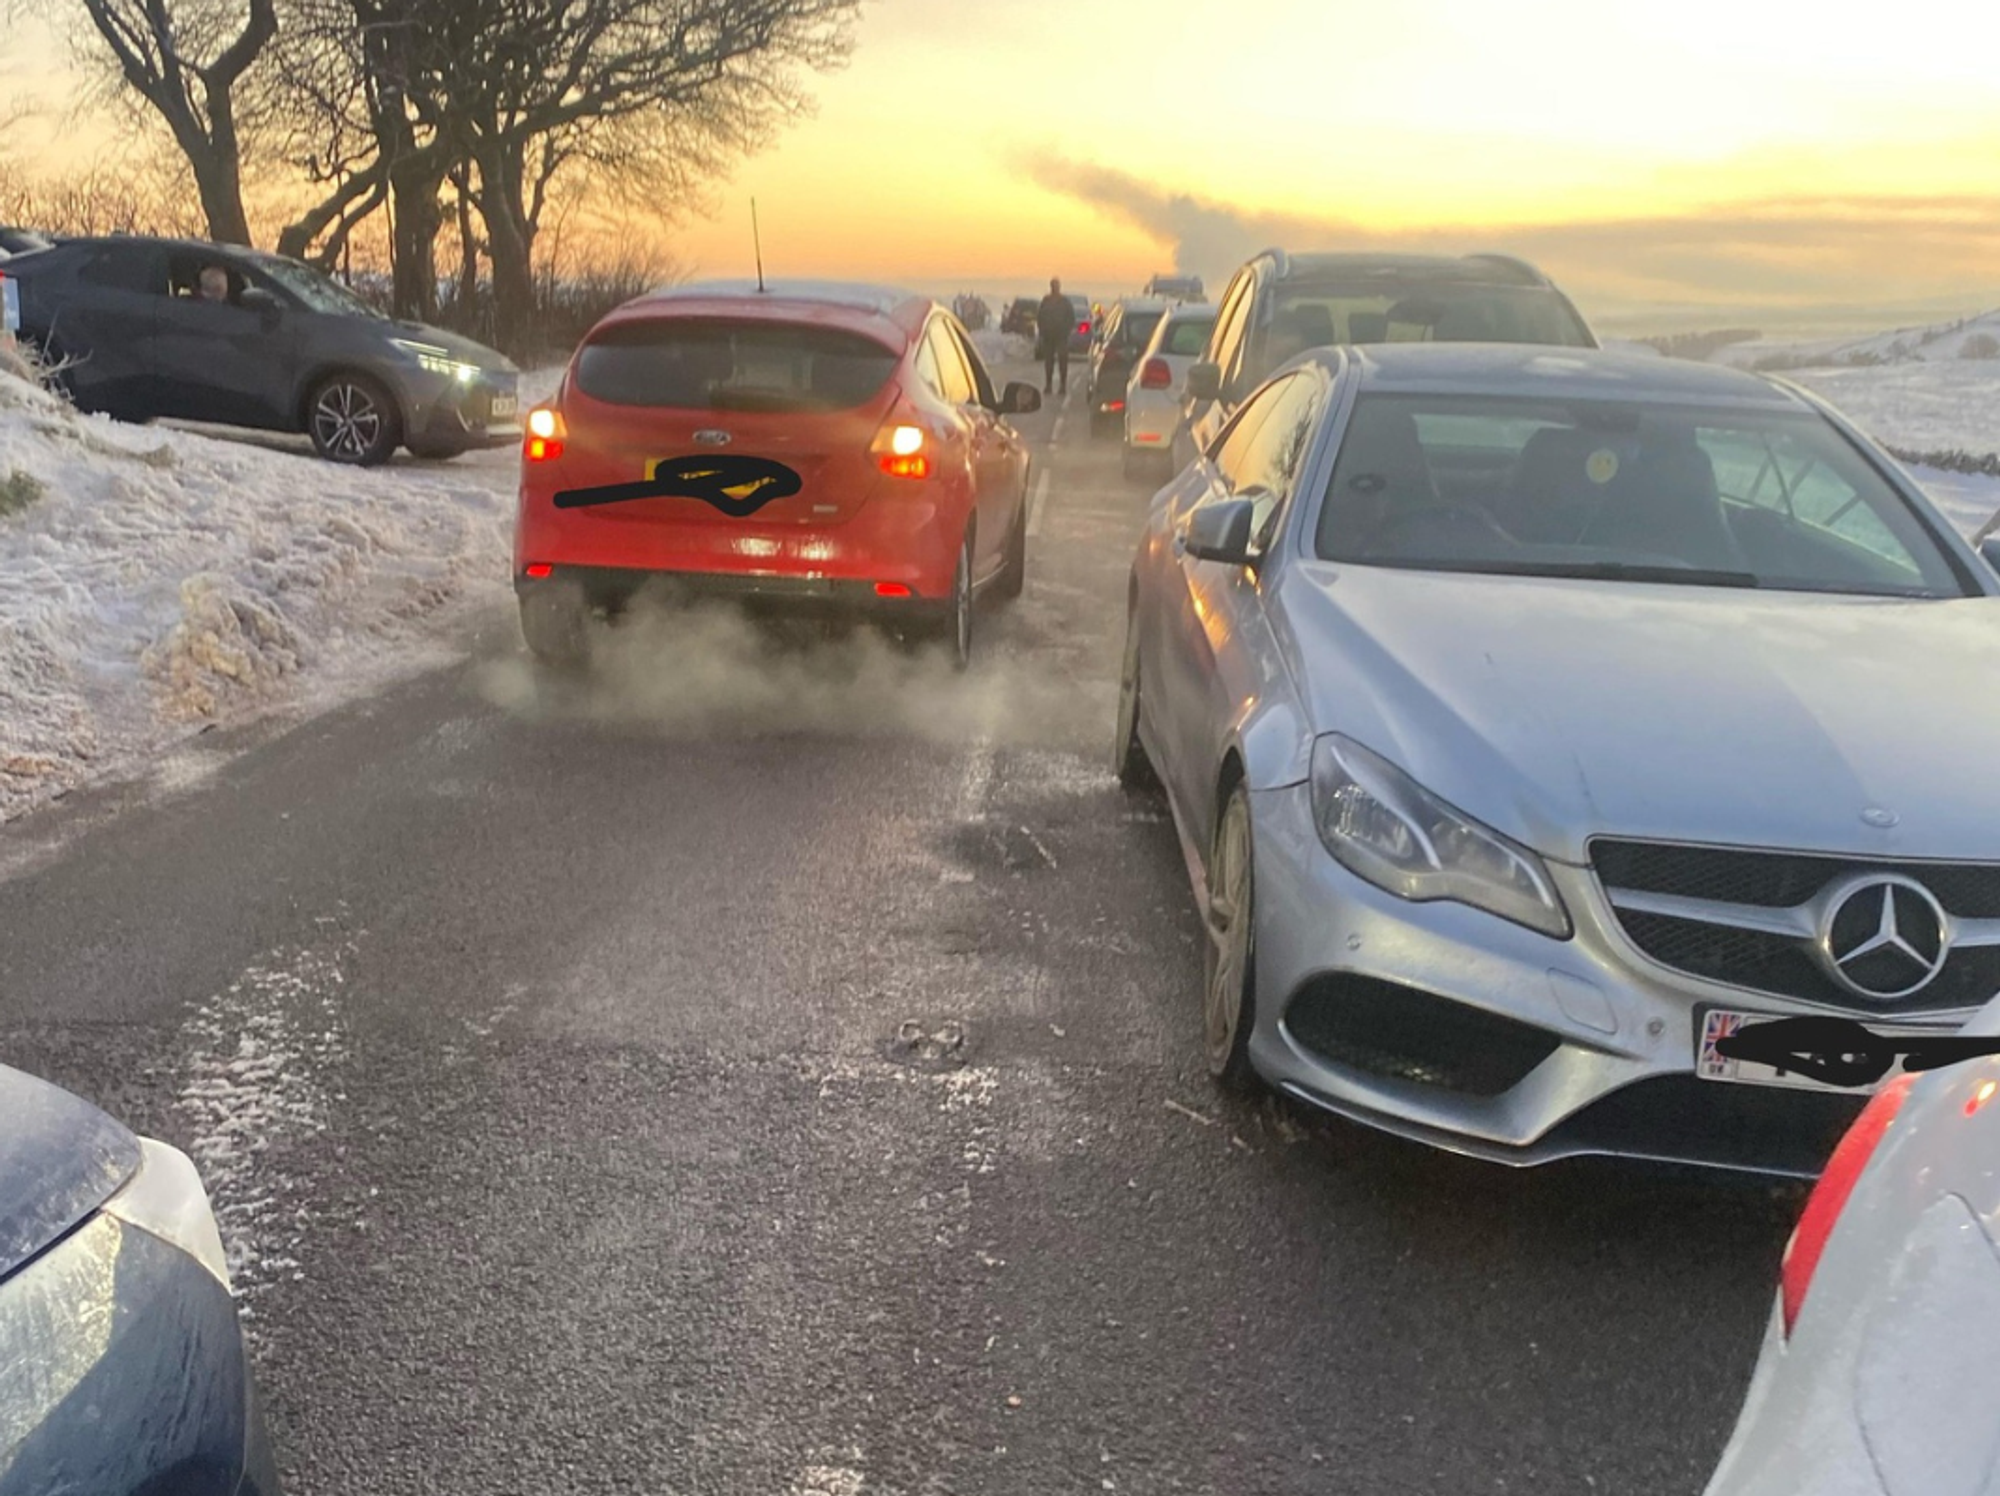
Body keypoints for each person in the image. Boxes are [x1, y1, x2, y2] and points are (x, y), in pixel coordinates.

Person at [1035, 276, 1074, 396]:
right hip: (1049, 336)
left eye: (1056, 286)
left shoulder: (1064, 302)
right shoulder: (1046, 301)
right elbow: (1040, 317)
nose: (1054, 288)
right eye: (1053, 286)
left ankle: (1062, 385)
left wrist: (1066, 331)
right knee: (1049, 362)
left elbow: (1071, 318)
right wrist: (1042, 331)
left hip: (1061, 336)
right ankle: (1049, 385)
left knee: (1062, 362)